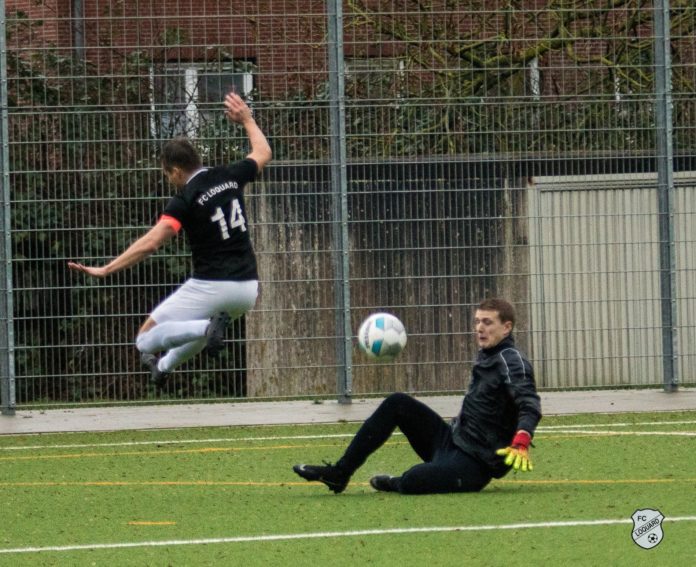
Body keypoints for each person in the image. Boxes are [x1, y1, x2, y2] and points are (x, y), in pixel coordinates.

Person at [68, 92, 272, 387]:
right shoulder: (229, 175)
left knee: (145, 339)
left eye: (167, 173)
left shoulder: (185, 198)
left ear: (175, 170)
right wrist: (247, 119)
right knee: (198, 330)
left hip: (212, 285)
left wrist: (106, 269)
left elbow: (151, 242)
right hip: (247, 290)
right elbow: (263, 152)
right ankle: (165, 366)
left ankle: (204, 329)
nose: (168, 179)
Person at [293, 298, 542, 494]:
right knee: (397, 403)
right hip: (452, 441)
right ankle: (339, 473)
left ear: (507, 327)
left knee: (414, 479)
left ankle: (395, 483)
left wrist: (521, 438)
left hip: (475, 462)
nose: (479, 328)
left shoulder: (512, 361)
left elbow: (529, 405)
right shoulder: (489, 353)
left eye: (487, 322)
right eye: (477, 321)